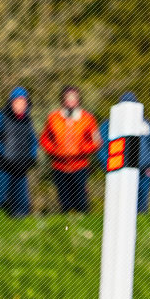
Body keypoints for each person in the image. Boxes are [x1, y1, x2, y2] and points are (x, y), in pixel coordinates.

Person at [39, 85, 101, 213]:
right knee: (64, 202)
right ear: (63, 99)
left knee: (81, 201)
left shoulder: (88, 118)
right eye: (68, 97)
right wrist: (54, 151)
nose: (71, 100)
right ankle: (65, 223)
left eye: (74, 97)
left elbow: (97, 142)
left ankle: (84, 221)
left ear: (79, 99)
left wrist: (82, 150)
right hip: (59, 165)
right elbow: (44, 139)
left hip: (80, 165)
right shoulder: (53, 117)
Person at [98, 92, 150, 212]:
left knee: (142, 206)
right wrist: (108, 166)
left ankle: (142, 223)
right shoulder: (109, 125)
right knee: (121, 206)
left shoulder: (145, 124)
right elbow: (101, 148)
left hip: (144, 171)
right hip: (118, 171)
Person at [0, 86, 37, 218]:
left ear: (27, 104)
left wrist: (32, 156)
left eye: (23, 102)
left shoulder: (27, 120)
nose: (20, 105)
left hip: (20, 168)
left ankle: (20, 225)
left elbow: (33, 140)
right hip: (1, 168)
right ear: (11, 102)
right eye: (16, 101)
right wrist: (4, 152)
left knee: (21, 206)